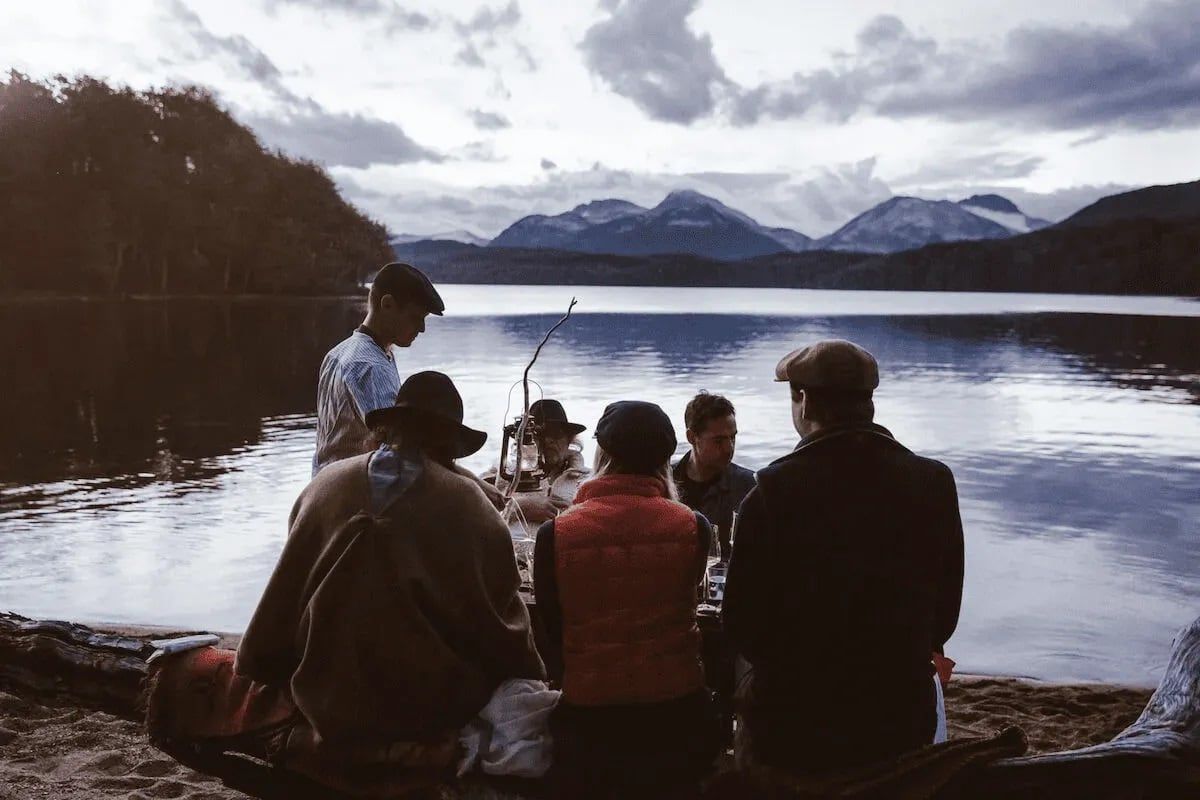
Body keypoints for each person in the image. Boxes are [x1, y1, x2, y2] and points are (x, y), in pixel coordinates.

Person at [232, 371, 546, 792]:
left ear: (386, 429)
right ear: (449, 443)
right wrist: (531, 668)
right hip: (425, 711)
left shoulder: (324, 486)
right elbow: (502, 623)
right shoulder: (470, 506)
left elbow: (283, 597)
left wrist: (263, 661)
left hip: (322, 700)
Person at [722, 340, 964, 775]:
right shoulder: (934, 481)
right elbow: (944, 617)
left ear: (805, 400)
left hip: (797, 720)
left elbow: (741, 623)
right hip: (900, 715)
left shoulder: (772, 492)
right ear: (869, 402)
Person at [533, 401, 721, 797]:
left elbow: (551, 633)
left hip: (590, 722)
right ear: (665, 460)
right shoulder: (694, 527)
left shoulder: (555, 535)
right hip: (677, 718)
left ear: (603, 455)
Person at [312, 262, 444, 476]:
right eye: (415, 317)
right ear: (388, 304)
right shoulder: (370, 366)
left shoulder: (338, 353)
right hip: (354, 498)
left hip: (324, 489)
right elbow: (399, 451)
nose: (421, 328)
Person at [673, 391, 756, 560]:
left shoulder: (750, 487)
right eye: (718, 441)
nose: (728, 448)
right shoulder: (664, 483)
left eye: (732, 438)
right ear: (691, 437)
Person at [484, 398, 592, 525]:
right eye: (541, 435)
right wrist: (520, 507)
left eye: (556, 434)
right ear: (524, 441)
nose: (549, 440)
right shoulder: (504, 473)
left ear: (569, 440)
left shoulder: (588, 480)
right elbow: (475, 513)